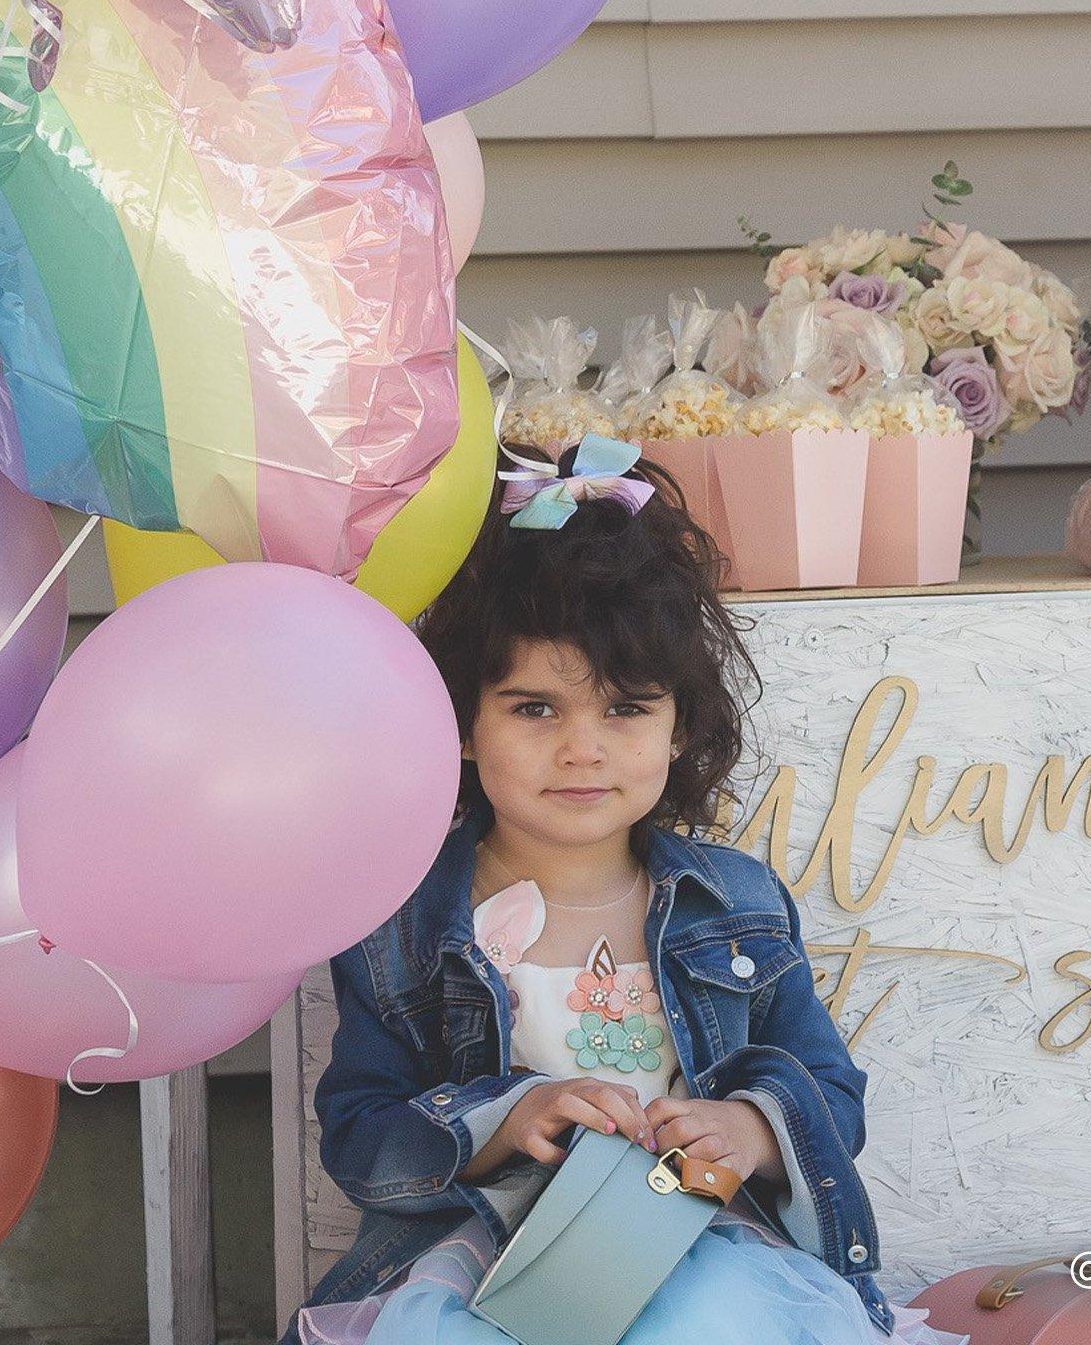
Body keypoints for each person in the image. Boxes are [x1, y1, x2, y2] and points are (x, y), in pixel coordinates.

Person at [284, 438, 963, 1344]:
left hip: (691, 1237)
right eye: (534, 708)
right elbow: (360, 1132)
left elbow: (833, 1090)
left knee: (711, 1326)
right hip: (490, 1259)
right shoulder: (403, 924)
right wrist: (502, 1118)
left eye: (626, 708)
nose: (583, 749)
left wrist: (751, 1131)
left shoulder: (738, 906)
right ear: (457, 722)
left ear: (682, 725)